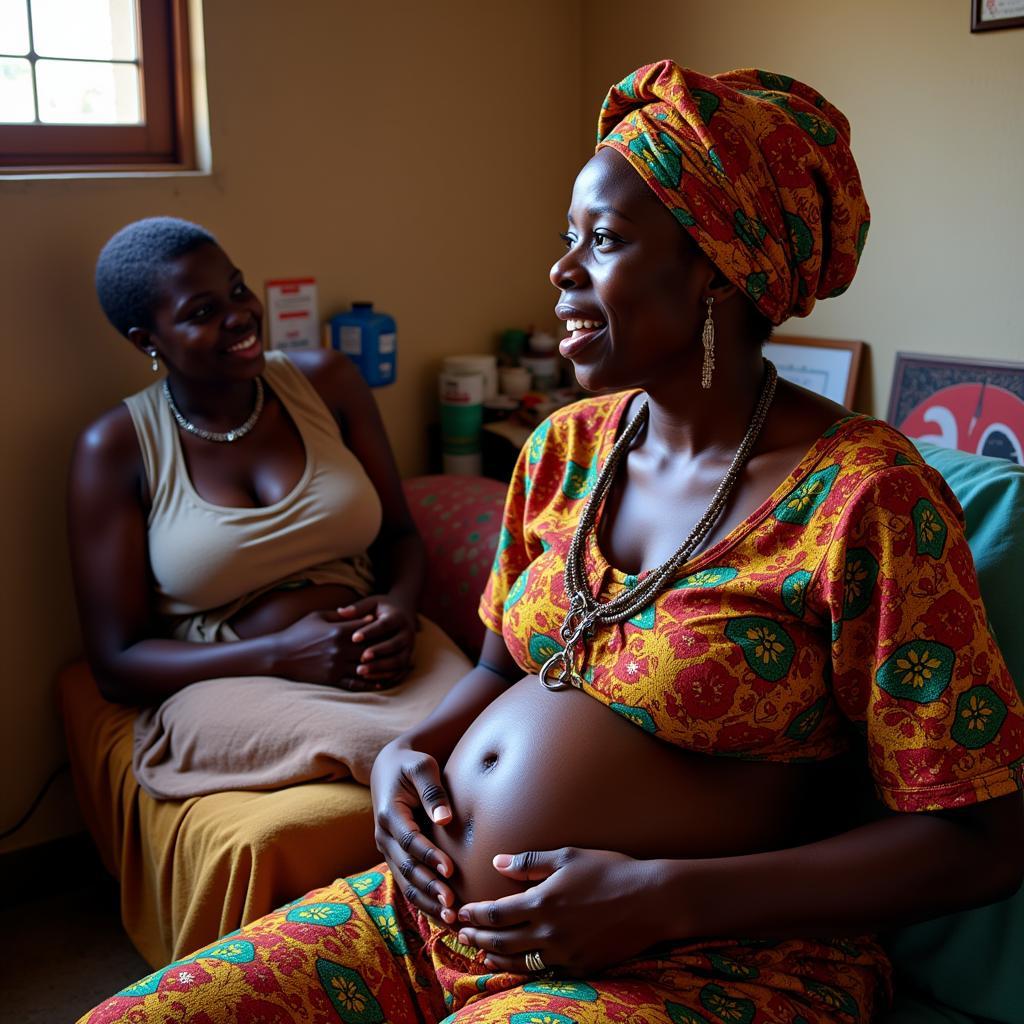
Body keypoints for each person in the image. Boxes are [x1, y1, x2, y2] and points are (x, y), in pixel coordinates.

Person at [78, 63, 1024, 1024]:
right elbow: (497, 671)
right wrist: (413, 748)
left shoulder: (871, 499)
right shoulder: (564, 447)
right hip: (428, 918)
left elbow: (981, 841)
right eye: (566, 238)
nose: (562, 270)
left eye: (603, 241)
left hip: (703, 958)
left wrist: (664, 897)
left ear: (713, 267)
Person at [69, 217, 465, 798]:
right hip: (232, 678)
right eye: (202, 312)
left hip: (375, 654)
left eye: (236, 290)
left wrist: (399, 610)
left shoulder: (326, 382)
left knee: (496, 729)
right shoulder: (115, 448)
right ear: (146, 339)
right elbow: (116, 665)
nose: (239, 316)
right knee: (401, 761)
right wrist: (281, 654)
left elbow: (400, 536)